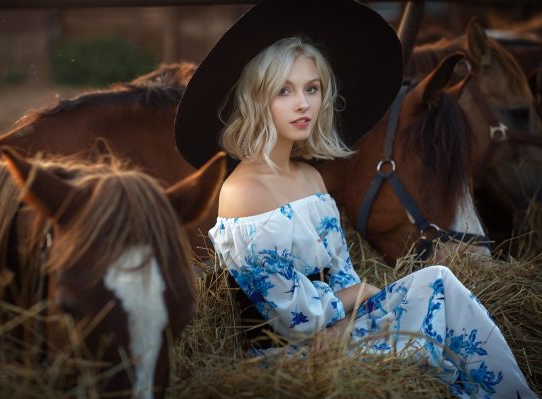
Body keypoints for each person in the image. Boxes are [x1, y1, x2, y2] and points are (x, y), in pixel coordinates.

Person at [174, 1, 537, 397]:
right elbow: (292, 320)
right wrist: (358, 296)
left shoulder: (310, 176)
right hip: (294, 357)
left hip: (342, 329)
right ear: (257, 99)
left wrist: (357, 301)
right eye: (284, 91)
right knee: (429, 331)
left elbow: (343, 272)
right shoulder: (242, 191)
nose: (303, 104)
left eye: (312, 89)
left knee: (440, 282)